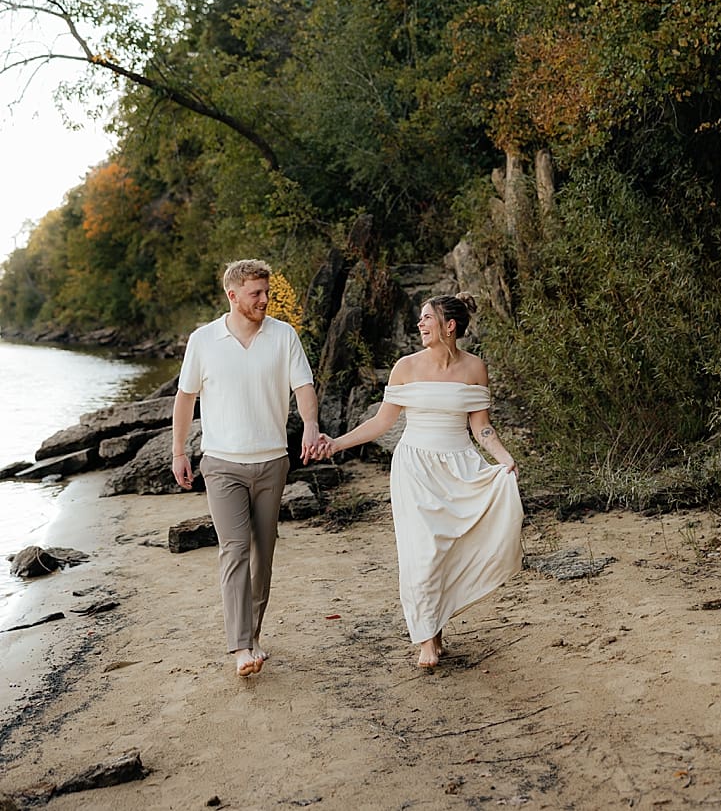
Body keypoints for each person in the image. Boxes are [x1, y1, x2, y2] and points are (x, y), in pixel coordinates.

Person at [308, 293, 523, 670]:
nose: (420, 325)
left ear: (449, 325)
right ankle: (427, 638)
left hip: (460, 466)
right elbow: (381, 422)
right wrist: (336, 444)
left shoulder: (475, 368)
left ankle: (437, 624)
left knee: (449, 550)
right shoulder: (405, 367)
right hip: (415, 469)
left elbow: (481, 425)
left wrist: (504, 459)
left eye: (427, 319)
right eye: (420, 319)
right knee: (421, 553)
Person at [172, 259, 324, 678]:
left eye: (266, 291)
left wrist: (310, 426)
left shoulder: (283, 335)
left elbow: (304, 386)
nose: (264, 300)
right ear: (232, 295)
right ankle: (240, 646)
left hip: (272, 461)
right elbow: (186, 398)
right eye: (255, 293)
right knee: (235, 550)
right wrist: (178, 451)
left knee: (263, 554)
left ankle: (253, 635)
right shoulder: (203, 340)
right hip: (221, 464)